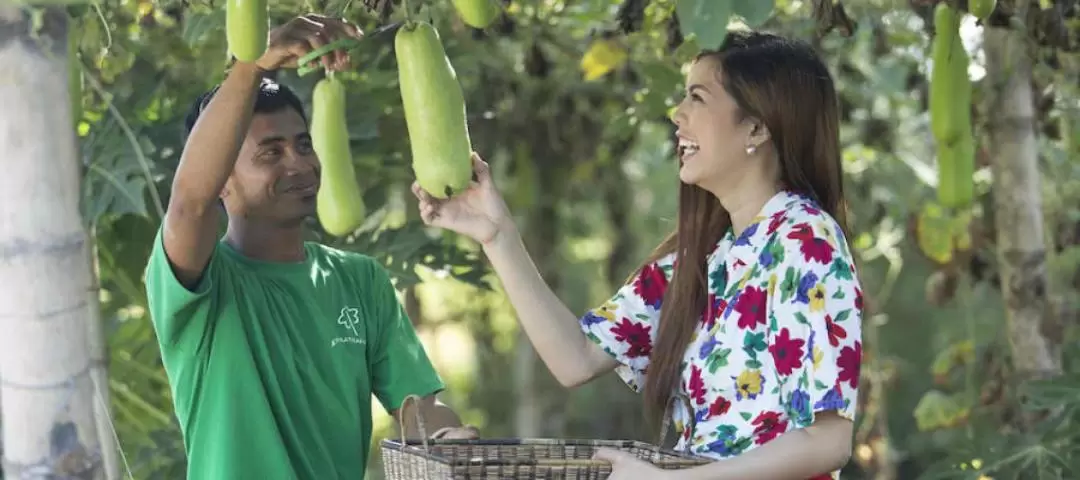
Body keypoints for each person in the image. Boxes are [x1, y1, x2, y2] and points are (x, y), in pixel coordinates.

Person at [412, 29, 863, 480]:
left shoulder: (806, 242)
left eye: (698, 98)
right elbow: (577, 359)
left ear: (758, 127)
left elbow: (826, 442)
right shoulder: (705, 260)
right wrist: (497, 235)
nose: (677, 115)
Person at [144, 14, 477, 480]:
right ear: (223, 180)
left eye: (303, 145)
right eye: (271, 153)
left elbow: (416, 407)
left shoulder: (360, 280)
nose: (299, 163)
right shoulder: (198, 284)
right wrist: (250, 67)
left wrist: (442, 437)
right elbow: (188, 205)